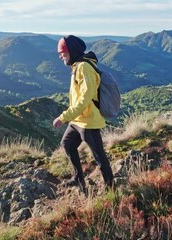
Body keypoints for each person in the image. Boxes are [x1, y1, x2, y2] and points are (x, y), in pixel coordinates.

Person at [53, 35, 114, 194]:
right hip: (78, 120)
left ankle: (111, 190)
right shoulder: (77, 66)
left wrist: (64, 116)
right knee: (67, 144)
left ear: (71, 51)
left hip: (89, 122)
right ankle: (78, 178)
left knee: (99, 157)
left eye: (63, 53)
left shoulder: (84, 68)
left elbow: (84, 99)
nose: (61, 56)